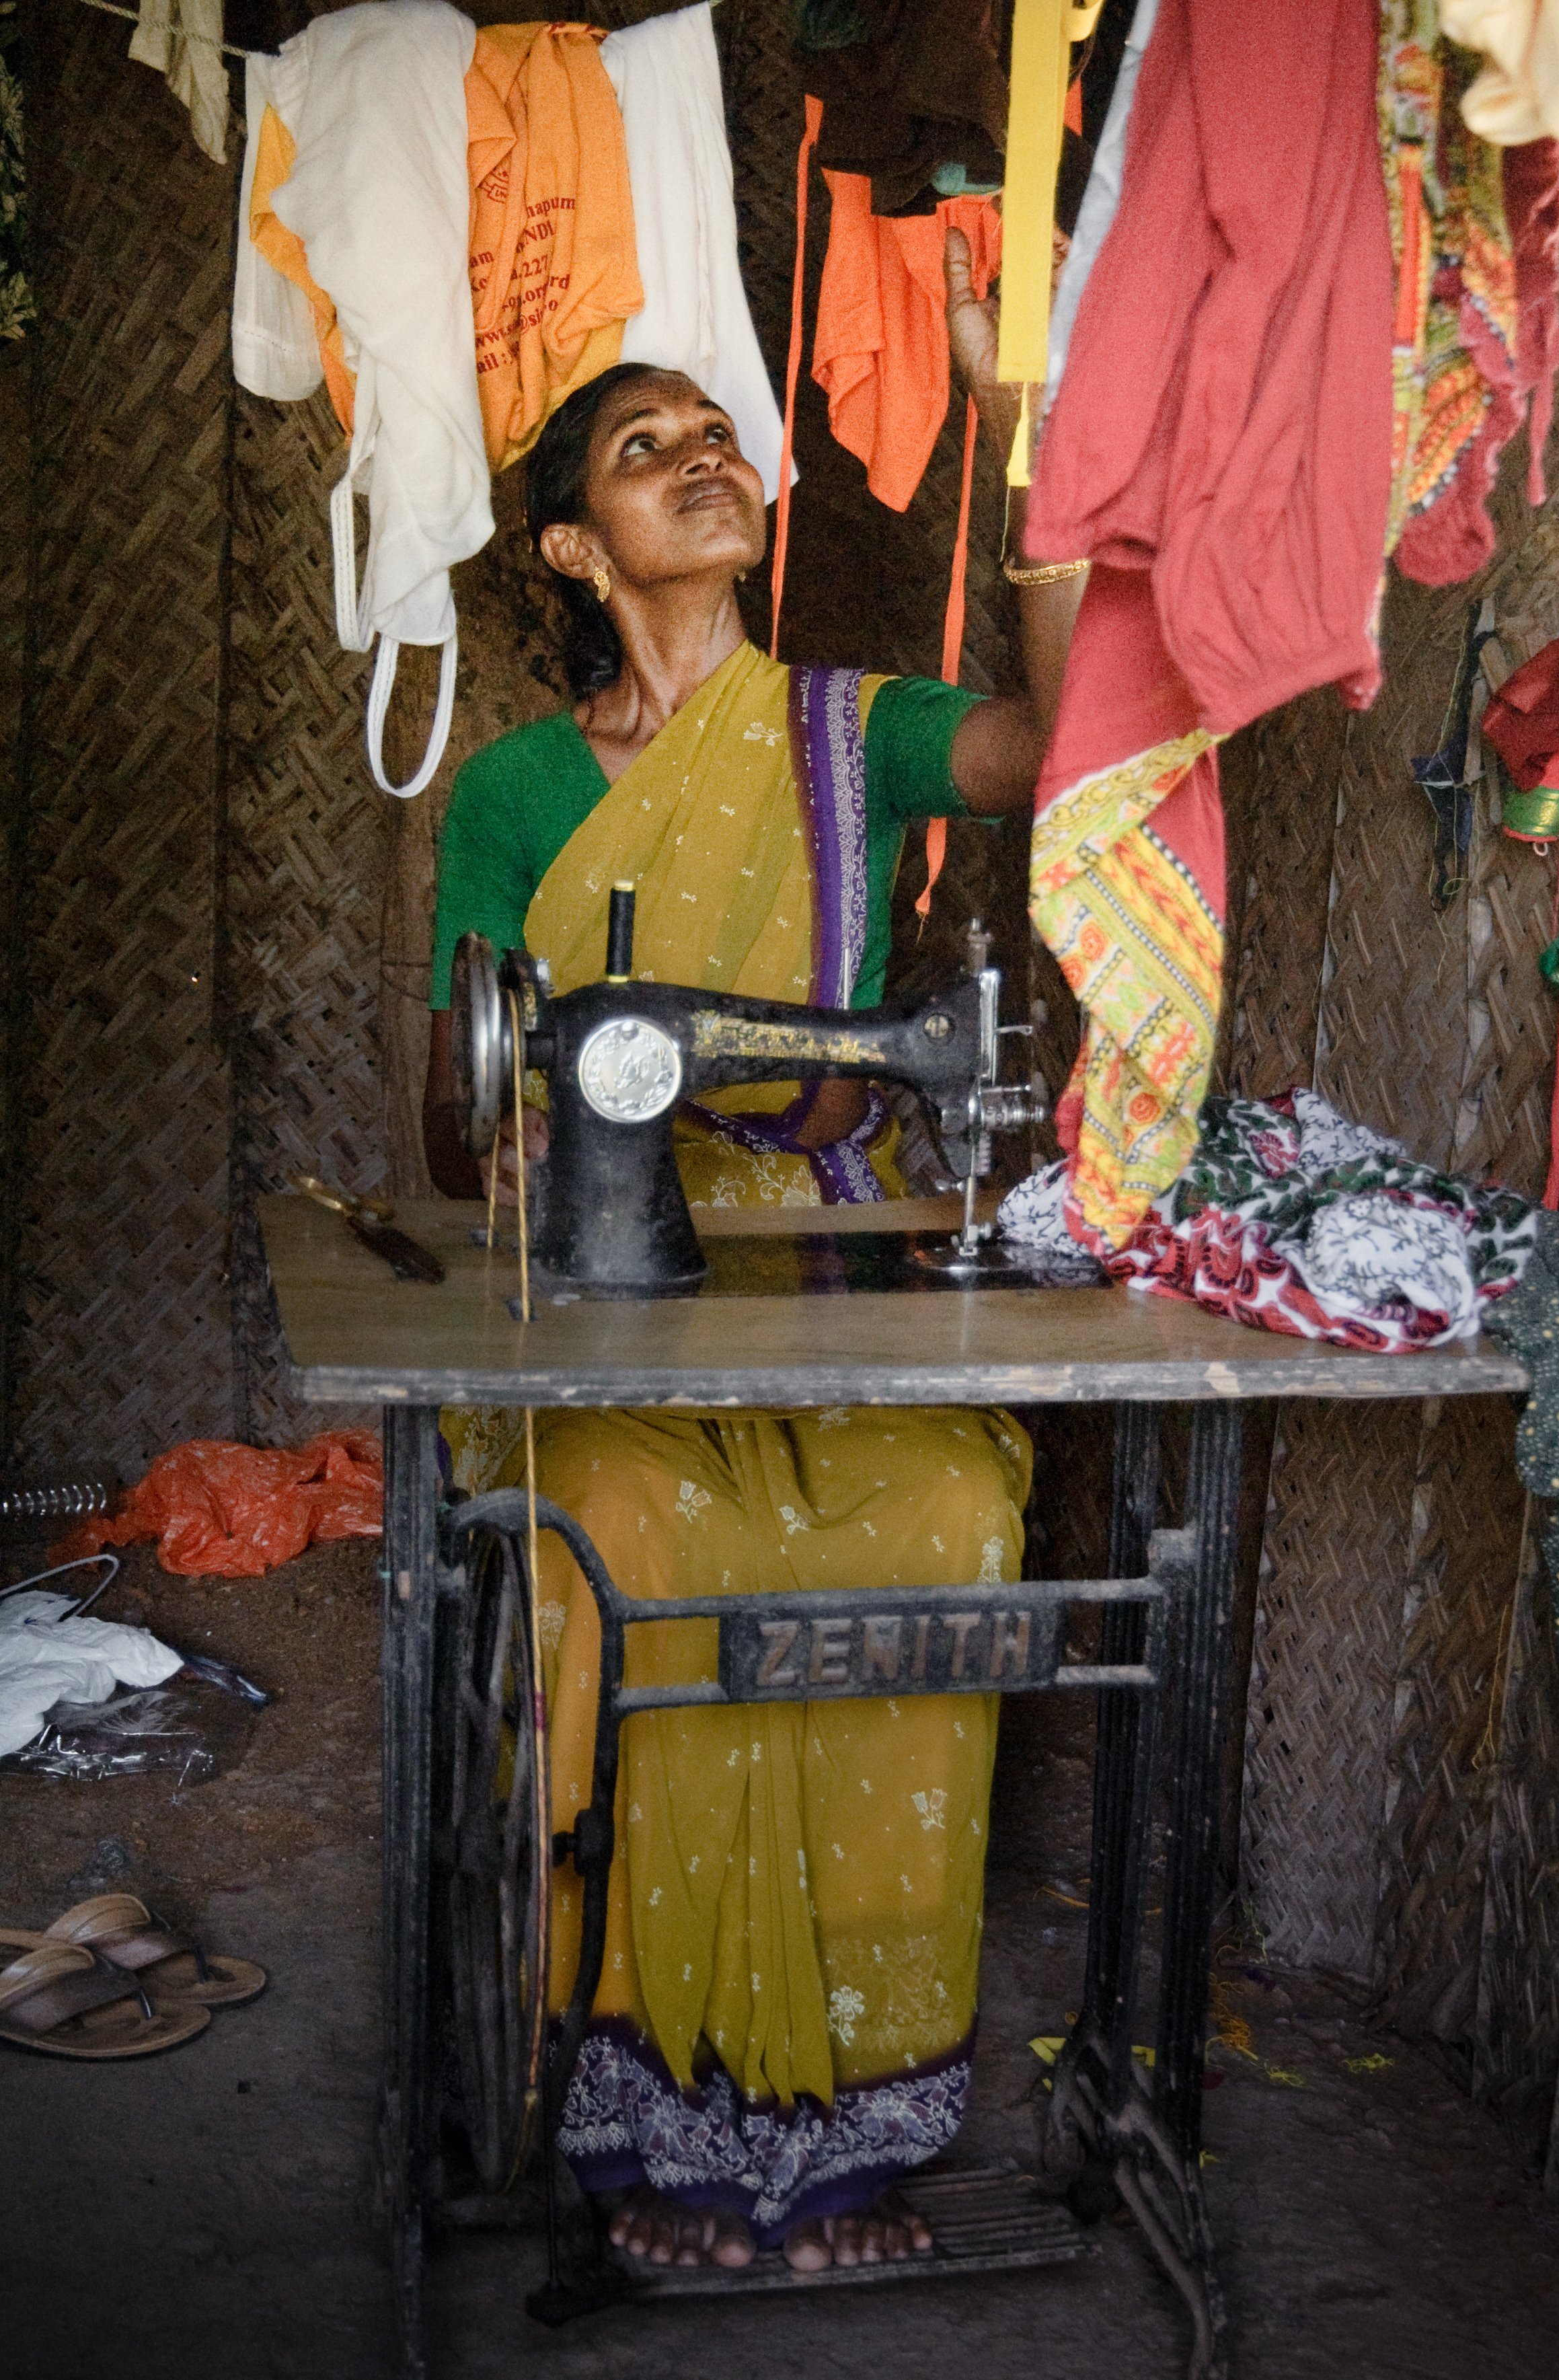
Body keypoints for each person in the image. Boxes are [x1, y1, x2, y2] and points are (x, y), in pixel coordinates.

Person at [422, 236, 1081, 2273]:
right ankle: (640, 2116)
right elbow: (444, 1114)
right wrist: (541, 1112)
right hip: (601, 1299)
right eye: (647, 446)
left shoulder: (843, 736)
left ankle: (844, 2120)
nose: (702, 460)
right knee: (623, 1524)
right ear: (567, 542)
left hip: (821, 1276)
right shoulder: (519, 790)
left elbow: (1057, 751)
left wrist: (1016, 425)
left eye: (718, 436)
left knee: (943, 1502)